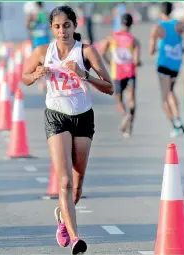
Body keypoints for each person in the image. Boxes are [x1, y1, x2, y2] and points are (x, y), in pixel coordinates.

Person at [22, 5, 113, 254]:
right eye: (57, 26)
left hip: (83, 117)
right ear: (52, 28)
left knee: (78, 181)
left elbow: (109, 87)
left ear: (75, 26)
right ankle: (75, 238)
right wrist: (36, 74)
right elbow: (24, 76)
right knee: (64, 181)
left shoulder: (86, 52)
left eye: (67, 26)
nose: (62, 31)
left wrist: (84, 74)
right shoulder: (43, 51)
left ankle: (62, 218)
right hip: (56, 117)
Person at [149, 2, 184, 137]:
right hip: (176, 65)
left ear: (161, 12)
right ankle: (177, 122)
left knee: (165, 97)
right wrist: (183, 48)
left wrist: (156, 46)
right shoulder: (180, 25)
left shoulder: (158, 27)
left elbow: (151, 50)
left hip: (163, 64)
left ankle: (176, 124)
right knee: (171, 91)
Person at [100, 13, 141, 137]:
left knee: (118, 98)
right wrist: (139, 62)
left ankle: (125, 115)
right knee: (132, 100)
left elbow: (102, 52)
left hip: (117, 72)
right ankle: (130, 127)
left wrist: (110, 62)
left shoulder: (112, 37)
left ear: (120, 23)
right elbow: (136, 61)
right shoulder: (134, 41)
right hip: (130, 72)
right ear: (131, 24)